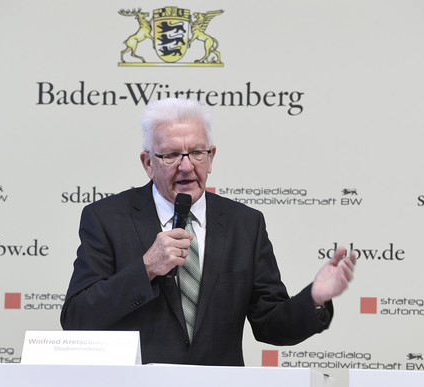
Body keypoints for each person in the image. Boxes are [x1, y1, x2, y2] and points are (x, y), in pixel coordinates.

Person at [60, 98, 356, 366]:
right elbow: (77, 319)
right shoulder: (107, 218)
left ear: (211, 157)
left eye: (197, 153)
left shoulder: (245, 225)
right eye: (172, 155)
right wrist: (146, 268)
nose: (186, 166)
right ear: (148, 163)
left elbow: (270, 325)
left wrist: (313, 298)